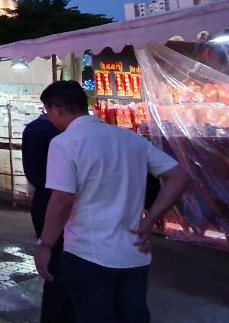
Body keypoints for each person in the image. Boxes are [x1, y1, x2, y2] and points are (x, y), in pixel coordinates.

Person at [34, 81, 191, 323]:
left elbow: (62, 198)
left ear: (56, 109)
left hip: (88, 254)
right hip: (134, 252)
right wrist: (150, 220)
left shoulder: (65, 143)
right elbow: (179, 176)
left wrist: (45, 245)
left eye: (47, 111)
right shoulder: (128, 138)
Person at [22, 112, 75, 323]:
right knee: (64, 263)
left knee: (53, 267)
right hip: (62, 202)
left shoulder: (32, 129)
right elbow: (62, 195)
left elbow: (31, 171)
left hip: (43, 201)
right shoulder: (62, 136)